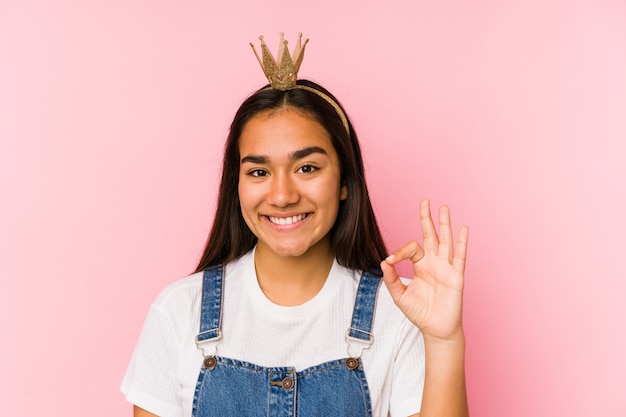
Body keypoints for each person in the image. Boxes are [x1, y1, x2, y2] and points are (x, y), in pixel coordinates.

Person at [121, 33, 469, 417]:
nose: (282, 195)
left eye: (307, 168)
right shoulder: (179, 312)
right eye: (258, 171)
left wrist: (444, 341)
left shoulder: (398, 314)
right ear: (236, 185)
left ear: (343, 181)